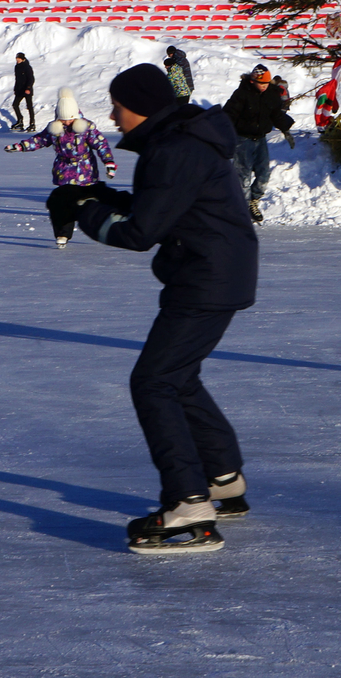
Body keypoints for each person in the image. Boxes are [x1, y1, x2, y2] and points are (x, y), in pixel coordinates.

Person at [68, 63, 258, 554]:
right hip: (216, 271)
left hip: (205, 278)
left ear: (142, 107)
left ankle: (188, 505)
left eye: (118, 106)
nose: (112, 116)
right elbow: (161, 206)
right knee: (178, 375)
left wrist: (83, 213)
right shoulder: (179, 142)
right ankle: (222, 478)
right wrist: (97, 195)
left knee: (153, 382)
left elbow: (139, 233)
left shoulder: (174, 149)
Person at [9, 88, 117, 247]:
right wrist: (20, 146)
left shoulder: (87, 127)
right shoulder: (54, 129)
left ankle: (108, 226)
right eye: (63, 119)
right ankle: (62, 234)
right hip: (64, 171)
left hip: (85, 171)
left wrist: (108, 162)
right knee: (62, 203)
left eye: (70, 119)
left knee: (91, 201)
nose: (66, 122)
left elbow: (101, 144)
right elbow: (39, 140)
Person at [223, 64, 290, 223]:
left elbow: (275, 114)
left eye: (267, 84)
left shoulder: (270, 94)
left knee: (264, 174)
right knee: (243, 177)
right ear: (253, 81)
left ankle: (254, 201)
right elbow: (228, 115)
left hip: (260, 139)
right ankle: (243, 209)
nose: (264, 87)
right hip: (242, 139)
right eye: (261, 84)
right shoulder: (241, 94)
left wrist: (286, 129)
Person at [10, 52, 36, 132]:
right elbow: (17, 79)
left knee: (29, 106)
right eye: (17, 59)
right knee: (15, 105)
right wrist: (16, 88)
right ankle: (20, 120)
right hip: (19, 90)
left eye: (19, 59)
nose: (17, 60)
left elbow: (31, 79)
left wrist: (28, 88)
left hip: (27, 90)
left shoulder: (27, 67)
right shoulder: (16, 67)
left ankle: (32, 123)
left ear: (23, 59)